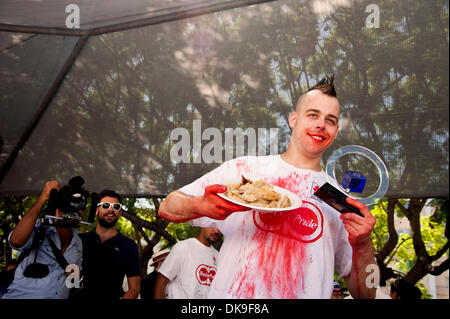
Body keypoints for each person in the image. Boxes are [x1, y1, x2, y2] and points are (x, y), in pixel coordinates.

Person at [158, 75, 378, 299]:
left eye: (330, 120)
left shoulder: (341, 202)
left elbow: (368, 293)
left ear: (336, 130)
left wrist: (362, 245)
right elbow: (167, 206)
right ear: (293, 119)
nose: (321, 124)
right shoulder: (244, 170)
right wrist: (200, 205)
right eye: (313, 115)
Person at [1, 179, 85, 299]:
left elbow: (74, 282)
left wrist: (75, 279)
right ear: (56, 208)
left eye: (78, 210)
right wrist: (42, 199)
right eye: (66, 209)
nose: (73, 214)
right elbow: (15, 241)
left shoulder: (77, 242)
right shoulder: (39, 228)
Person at [76, 189, 141, 299]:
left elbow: (134, 289)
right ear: (96, 210)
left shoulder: (129, 246)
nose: (111, 209)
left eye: (116, 207)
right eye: (105, 205)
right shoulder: (78, 240)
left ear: (119, 213)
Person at [153, 227, 222, 299]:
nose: (217, 231)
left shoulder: (218, 256)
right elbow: (161, 281)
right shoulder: (183, 247)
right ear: (202, 224)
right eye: (213, 225)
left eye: (220, 227)